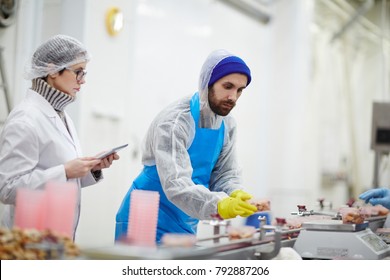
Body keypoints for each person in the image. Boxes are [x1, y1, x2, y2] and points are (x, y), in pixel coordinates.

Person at [115, 49, 257, 243]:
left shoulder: (227, 124)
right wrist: (220, 204)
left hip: (185, 220)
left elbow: (225, 174)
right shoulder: (175, 121)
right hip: (145, 217)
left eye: (239, 90)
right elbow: (175, 183)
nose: (233, 97)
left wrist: (235, 192)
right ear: (208, 83)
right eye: (228, 86)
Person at [0, 34, 119, 238]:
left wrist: (90, 168)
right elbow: (7, 188)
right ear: (52, 70)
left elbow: (57, 174)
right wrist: (65, 171)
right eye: (78, 72)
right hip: (29, 239)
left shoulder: (60, 114)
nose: (83, 81)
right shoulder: (26, 118)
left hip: (56, 235)